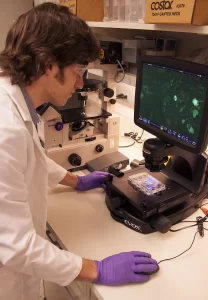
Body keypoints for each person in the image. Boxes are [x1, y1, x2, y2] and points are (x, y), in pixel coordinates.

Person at [0, 3, 158, 300]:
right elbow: (16, 246)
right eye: (77, 70)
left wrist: (75, 180)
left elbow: (27, 159)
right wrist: (96, 269)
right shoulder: (4, 128)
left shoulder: (13, 95)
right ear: (48, 63)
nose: (80, 83)